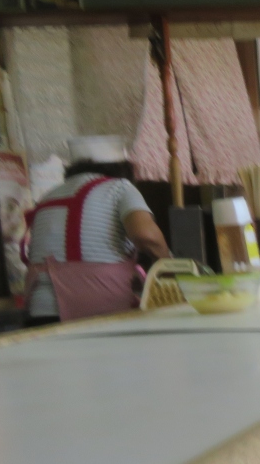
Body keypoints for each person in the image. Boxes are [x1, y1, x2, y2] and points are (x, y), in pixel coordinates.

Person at [25, 137, 171, 326]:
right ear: (122, 169)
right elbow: (146, 236)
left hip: (42, 312)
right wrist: (168, 265)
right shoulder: (120, 187)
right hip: (101, 313)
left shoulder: (48, 196)